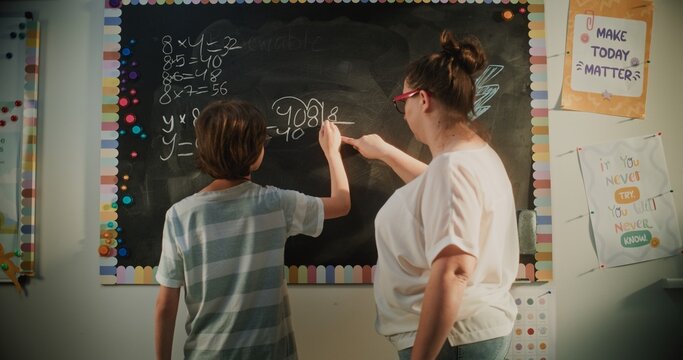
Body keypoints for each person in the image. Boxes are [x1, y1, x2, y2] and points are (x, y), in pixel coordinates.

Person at [341, 30, 519, 360]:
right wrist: (386, 152)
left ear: (422, 100)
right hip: (465, 333)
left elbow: (454, 269)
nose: (404, 112)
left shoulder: (454, 167)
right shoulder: (474, 157)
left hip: (452, 339)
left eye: (402, 102)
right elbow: (439, 192)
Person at [154, 100, 350, 360]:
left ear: (203, 149)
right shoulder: (275, 205)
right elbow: (341, 204)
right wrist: (333, 152)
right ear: (256, 153)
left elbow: (165, 307)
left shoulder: (179, 216)